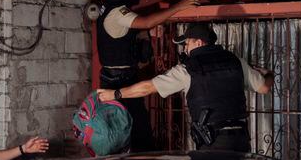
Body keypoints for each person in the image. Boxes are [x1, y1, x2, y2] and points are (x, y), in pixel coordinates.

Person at [98, 23, 273, 152]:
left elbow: (148, 87)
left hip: (212, 143)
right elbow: (264, 88)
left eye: (186, 43)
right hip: (241, 140)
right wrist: (269, 74)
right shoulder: (237, 62)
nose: (185, 49)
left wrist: (115, 93)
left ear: (198, 42)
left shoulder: (188, 69)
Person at [97, 0, 199, 152]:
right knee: (135, 133)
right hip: (119, 79)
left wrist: (147, 33)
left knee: (131, 130)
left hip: (118, 76)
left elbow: (129, 30)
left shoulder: (111, 8)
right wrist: (177, 7)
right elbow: (145, 22)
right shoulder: (117, 12)